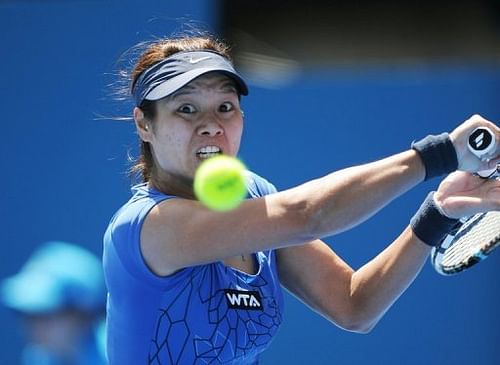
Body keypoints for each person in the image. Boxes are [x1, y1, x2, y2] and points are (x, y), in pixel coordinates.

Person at [103, 33, 500, 365]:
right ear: (144, 124)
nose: (211, 125)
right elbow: (308, 215)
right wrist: (440, 154)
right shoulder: (147, 227)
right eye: (186, 109)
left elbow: (353, 304)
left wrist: (439, 211)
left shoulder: (254, 194)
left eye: (225, 107)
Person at [1, 241, 107, 365]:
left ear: (81, 315)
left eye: (45, 315)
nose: (34, 329)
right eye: (29, 316)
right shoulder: (39, 358)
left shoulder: (119, 356)